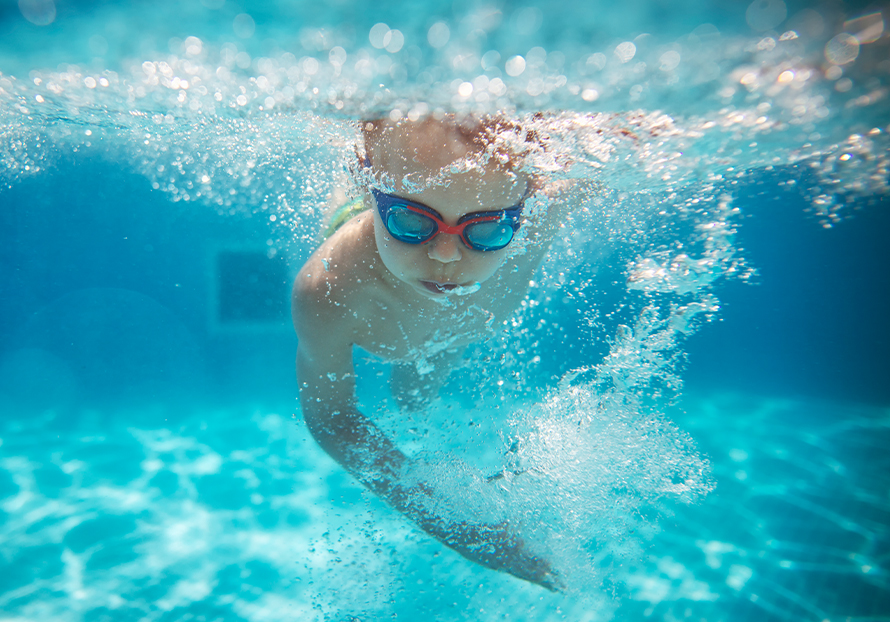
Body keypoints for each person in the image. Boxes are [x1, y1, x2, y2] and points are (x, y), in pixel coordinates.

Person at [292, 114, 572, 591]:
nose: (445, 257)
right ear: (370, 181)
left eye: (486, 231)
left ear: (525, 203)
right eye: (410, 219)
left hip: (456, 336)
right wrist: (452, 524)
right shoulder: (328, 290)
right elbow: (333, 419)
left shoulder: (542, 217)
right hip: (372, 261)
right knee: (414, 390)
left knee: (414, 398)